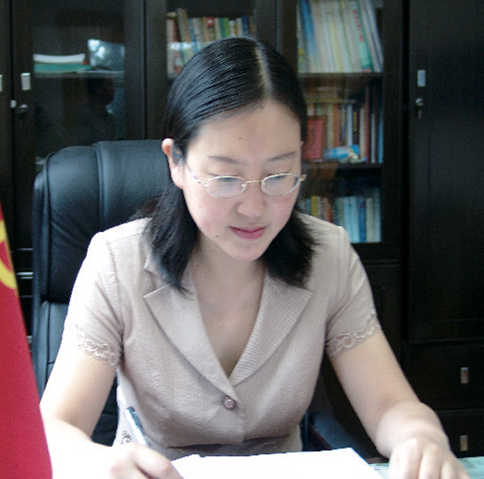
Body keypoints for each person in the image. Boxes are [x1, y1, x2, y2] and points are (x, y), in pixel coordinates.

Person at [40, 37, 469, 479]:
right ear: (176, 163)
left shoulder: (329, 259)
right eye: (226, 177)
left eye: (278, 175)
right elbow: (55, 428)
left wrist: (420, 438)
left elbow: (389, 405)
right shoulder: (116, 263)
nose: (253, 207)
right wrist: (97, 462)